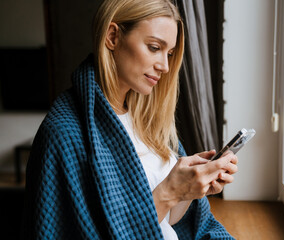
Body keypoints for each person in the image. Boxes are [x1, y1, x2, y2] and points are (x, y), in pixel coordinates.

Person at [23, 0, 238, 239]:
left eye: (170, 53)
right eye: (154, 47)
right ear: (113, 37)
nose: (165, 66)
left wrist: (189, 190)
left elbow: (171, 221)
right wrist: (168, 192)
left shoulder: (151, 120)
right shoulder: (63, 134)